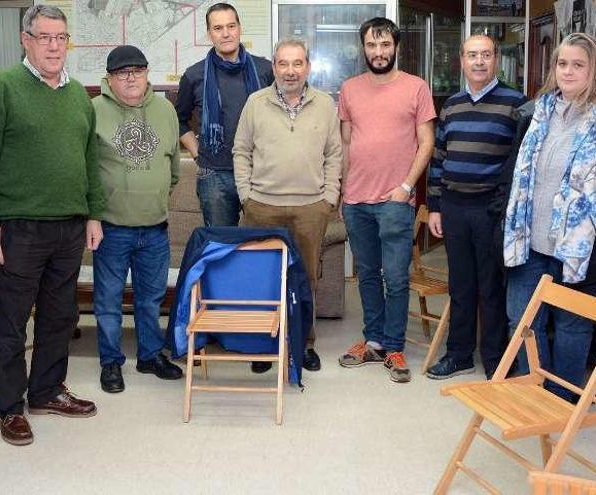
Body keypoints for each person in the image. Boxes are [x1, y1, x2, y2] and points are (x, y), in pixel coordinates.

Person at [0, 4, 102, 446]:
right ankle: (9, 406)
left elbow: (89, 161)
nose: (54, 46)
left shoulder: (79, 94)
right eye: (44, 37)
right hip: (16, 228)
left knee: (60, 317)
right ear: (25, 40)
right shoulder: (0, 90)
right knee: (9, 322)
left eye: (61, 38)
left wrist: (93, 213)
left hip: (68, 228)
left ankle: (46, 391)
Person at [496, 32, 596, 400]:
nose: (568, 72)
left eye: (578, 65)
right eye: (562, 63)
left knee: (572, 326)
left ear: (594, 69)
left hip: (582, 254)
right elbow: (512, 176)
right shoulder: (535, 115)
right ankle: (532, 395)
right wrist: (501, 222)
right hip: (527, 246)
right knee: (523, 323)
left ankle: (561, 400)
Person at [233, 37, 342, 373]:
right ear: (274, 67)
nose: (291, 71)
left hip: (311, 208)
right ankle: (263, 345)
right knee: (262, 278)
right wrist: (245, 195)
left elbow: (334, 154)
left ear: (308, 67)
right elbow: (241, 152)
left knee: (306, 279)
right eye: (283, 63)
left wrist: (329, 198)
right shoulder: (255, 102)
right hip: (262, 207)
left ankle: (304, 344)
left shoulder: (325, 104)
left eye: (298, 64)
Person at [336, 17, 436, 383]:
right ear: (363, 48)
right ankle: (373, 339)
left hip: (396, 199)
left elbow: (426, 143)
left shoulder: (416, 87)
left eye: (385, 45)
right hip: (356, 200)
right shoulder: (349, 88)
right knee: (366, 275)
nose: (379, 53)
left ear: (397, 47)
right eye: (372, 46)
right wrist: (344, 189)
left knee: (395, 277)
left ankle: (394, 346)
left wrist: (407, 187)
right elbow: (346, 143)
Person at [424, 34, 527, 381]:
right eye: (472, 55)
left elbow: (520, 164)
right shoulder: (451, 104)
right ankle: (459, 354)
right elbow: (438, 158)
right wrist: (435, 206)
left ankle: (496, 359)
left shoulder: (517, 104)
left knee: (492, 287)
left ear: (496, 59)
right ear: (461, 61)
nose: (479, 61)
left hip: (491, 210)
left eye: (485, 55)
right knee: (461, 285)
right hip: (453, 206)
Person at [92, 45, 184, 393]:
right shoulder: (94, 111)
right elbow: (88, 169)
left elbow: (172, 168)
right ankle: (110, 363)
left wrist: (154, 193)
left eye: (137, 70)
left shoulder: (165, 110)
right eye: (122, 73)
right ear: (110, 79)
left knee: (150, 298)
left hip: (155, 229)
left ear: (147, 73)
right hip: (111, 228)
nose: (130, 78)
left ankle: (149, 356)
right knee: (108, 301)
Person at [175, 2, 274, 228]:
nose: (226, 33)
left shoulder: (266, 70)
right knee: (222, 247)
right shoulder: (194, 75)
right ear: (209, 33)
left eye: (231, 26)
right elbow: (178, 121)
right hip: (216, 175)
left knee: (263, 243)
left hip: (261, 172)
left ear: (240, 28)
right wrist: (197, 153)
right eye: (218, 28)